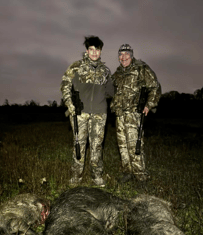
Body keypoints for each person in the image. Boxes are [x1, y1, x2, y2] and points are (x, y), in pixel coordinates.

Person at [61, 36, 113, 187]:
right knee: (79, 144)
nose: (94, 53)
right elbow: (65, 85)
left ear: (100, 51)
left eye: (97, 50)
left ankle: (96, 176)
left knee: (97, 145)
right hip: (80, 113)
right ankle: (76, 176)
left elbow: (110, 91)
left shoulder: (105, 71)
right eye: (91, 49)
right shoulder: (76, 67)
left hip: (99, 113)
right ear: (87, 50)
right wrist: (70, 105)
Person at [110, 44, 161, 183]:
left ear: (131, 55)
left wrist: (149, 105)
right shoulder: (117, 74)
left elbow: (155, 87)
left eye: (126, 54)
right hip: (120, 115)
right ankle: (127, 172)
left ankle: (141, 176)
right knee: (122, 146)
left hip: (134, 114)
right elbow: (108, 91)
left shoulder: (141, 68)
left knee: (135, 145)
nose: (123, 57)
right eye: (121, 54)